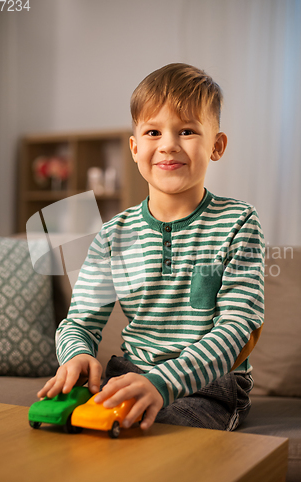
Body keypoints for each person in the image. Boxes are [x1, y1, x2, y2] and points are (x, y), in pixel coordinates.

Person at [38, 63, 264, 432]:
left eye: (187, 130)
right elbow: (79, 322)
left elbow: (239, 326)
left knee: (153, 432)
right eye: (153, 131)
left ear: (217, 145)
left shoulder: (239, 222)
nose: (168, 144)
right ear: (135, 147)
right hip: (132, 372)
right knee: (68, 427)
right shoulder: (113, 234)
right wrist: (76, 355)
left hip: (211, 383)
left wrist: (163, 383)